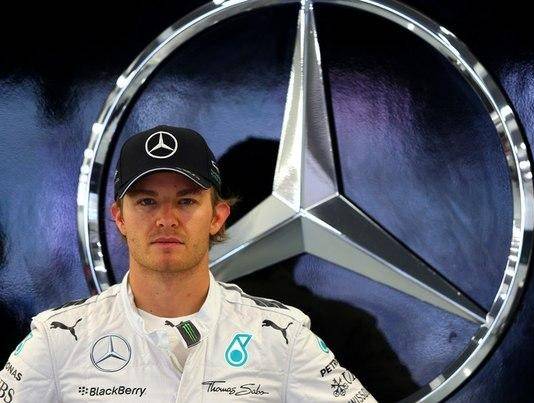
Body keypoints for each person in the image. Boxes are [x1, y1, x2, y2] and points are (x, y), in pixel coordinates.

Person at [1, 125, 377, 402]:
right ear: (119, 218)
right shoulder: (59, 338)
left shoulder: (281, 336)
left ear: (217, 217)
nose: (166, 219)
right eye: (146, 202)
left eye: (186, 201)